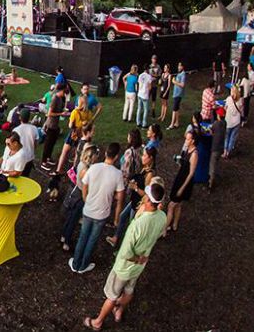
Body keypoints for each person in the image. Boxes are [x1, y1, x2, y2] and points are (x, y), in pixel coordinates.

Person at [83, 184, 167, 331]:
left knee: (112, 295)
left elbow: (126, 254)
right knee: (129, 290)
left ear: (147, 200)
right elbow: (159, 233)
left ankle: (98, 322)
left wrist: (136, 258)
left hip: (124, 267)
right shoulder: (162, 217)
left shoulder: (137, 225)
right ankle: (119, 311)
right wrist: (141, 259)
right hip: (140, 265)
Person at [70, 142, 124, 274]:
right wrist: (117, 218)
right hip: (102, 214)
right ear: (117, 156)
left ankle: (76, 263)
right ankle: (83, 265)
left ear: (106, 153)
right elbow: (120, 199)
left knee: (83, 237)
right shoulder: (118, 174)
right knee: (92, 240)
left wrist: (86, 199)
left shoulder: (94, 168)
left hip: (88, 210)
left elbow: (84, 185)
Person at [165, 130, 198, 236]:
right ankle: (174, 225)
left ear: (193, 141)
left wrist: (182, 188)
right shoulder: (187, 150)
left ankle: (164, 229)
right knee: (178, 205)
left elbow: (191, 173)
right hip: (180, 177)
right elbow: (184, 166)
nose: (186, 141)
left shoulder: (194, 154)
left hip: (184, 182)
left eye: (188, 139)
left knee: (171, 205)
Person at [40, 84, 67, 170]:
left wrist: (63, 111)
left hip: (55, 125)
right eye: (64, 91)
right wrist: (60, 114)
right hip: (50, 125)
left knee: (52, 143)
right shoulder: (54, 99)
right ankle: (43, 162)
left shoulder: (60, 99)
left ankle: (48, 158)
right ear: (61, 91)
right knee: (48, 144)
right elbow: (49, 113)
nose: (65, 93)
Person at [12, 108, 38, 175]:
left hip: (19, 158)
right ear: (29, 117)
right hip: (30, 157)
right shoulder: (34, 128)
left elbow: (13, 147)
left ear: (20, 117)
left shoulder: (15, 130)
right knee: (26, 176)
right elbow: (35, 144)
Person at [208, 109, 226, 191]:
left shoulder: (216, 124)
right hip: (221, 147)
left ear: (218, 115)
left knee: (212, 165)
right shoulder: (225, 123)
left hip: (215, 148)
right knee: (216, 162)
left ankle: (211, 183)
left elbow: (211, 131)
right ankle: (214, 176)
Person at [223, 85, 242, 158]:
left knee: (226, 137)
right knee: (232, 138)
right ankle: (228, 152)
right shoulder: (240, 100)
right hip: (237, 122)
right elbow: (241, 110)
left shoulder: (228, 99)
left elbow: (225, 108)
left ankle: (225, 152)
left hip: (228, 121)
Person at [168, 62, 186, 129]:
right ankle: (177, 123)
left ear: (182, 67)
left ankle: (172, 124)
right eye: (178, 66)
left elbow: (182, 85)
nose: (178, 67)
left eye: (180, 66)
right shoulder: (179, 73)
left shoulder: (183, 74)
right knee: (177, 108)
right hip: (176, 93)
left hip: (179, 94)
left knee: (174, 109)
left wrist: (174, 81)